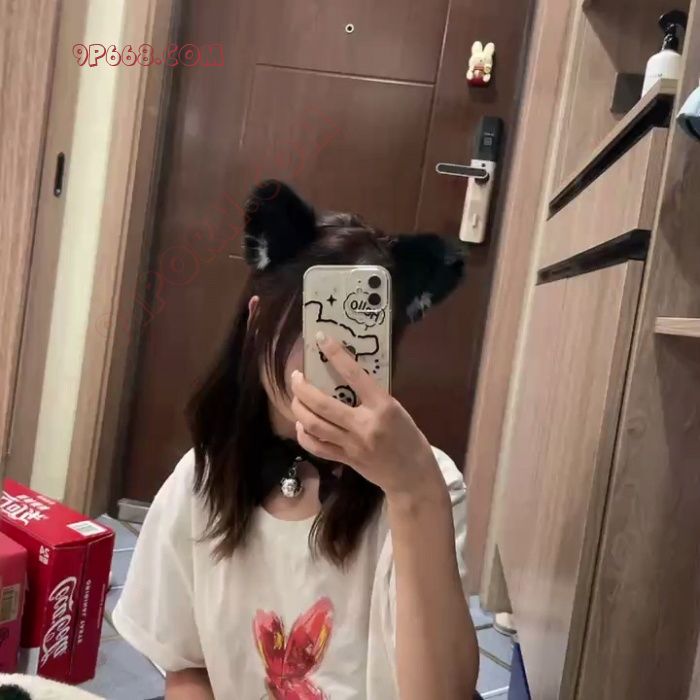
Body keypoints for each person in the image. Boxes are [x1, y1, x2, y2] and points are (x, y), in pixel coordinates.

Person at [112, 181, 480, 699]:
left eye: (360, 338)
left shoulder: (429, 483)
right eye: (315, 324)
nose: (331, 355)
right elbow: (188, 669)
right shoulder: (202, 479)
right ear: (256, 318)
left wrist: (414, 491)